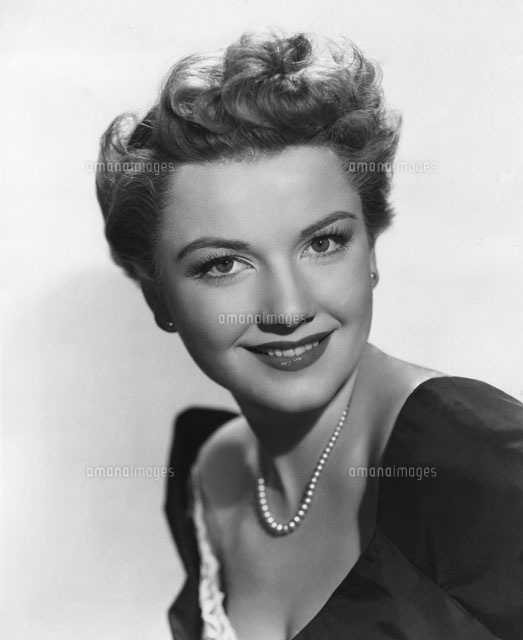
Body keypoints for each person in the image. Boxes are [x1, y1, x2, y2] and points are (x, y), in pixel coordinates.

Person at [95, 31, 523, 640]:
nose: (289, 309)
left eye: (323, 242)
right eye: (223, 264)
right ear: (157, 297)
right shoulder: (208, 473)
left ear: (371, 251)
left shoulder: (485, 469)